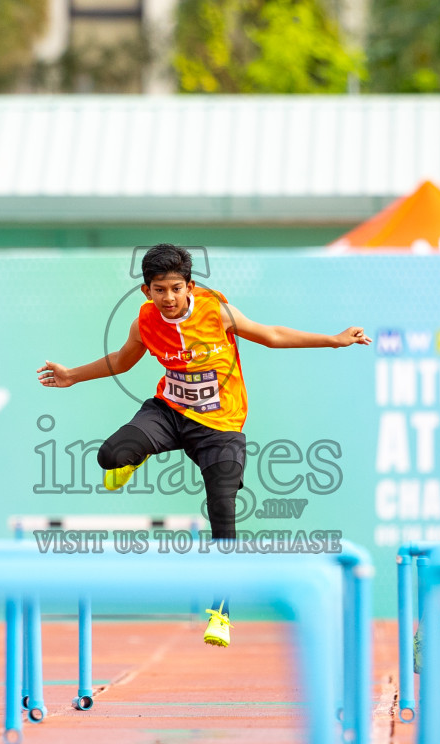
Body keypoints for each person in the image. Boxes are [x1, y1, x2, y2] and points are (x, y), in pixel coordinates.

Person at [36, 243, 370, 647]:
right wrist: (73, 375)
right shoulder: (144, 321)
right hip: (170, 412)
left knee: (223, 511)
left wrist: (333, 341)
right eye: (160, 289)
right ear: (147, 291)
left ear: (190, 286)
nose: (169, 298)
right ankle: (134, 456)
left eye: (176, 288)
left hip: (220, 425)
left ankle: (221, 612)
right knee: (109, 456)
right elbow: (123, 361)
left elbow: (272, 335)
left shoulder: (217, 312)